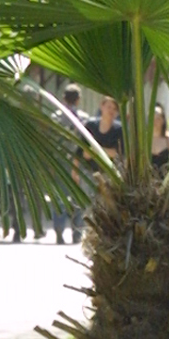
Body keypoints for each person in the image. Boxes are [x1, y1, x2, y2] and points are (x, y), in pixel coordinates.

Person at [53, 85, 88, 244]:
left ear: (63, 98)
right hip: (78, 163)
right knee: (77, 198)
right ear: (78, 99)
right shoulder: (84, 119)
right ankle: (77, 231)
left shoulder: (55, 117)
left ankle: (59, 231)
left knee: (60, 197)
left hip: (59, 161)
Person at [88, 95, 125, 164]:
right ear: (101, 106)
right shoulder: (90, 126)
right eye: (109, 107)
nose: (111, 111)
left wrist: (95, 151)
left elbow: (118, 154)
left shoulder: (120, 130)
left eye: (114, 109)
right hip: (87, 169)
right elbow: (81, 152)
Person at [151, 105, 169, 174]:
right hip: (146, 182)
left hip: (165, 182)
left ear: (163, 120)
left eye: (158, 118)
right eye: (153, 118)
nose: (155, 122)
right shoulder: (144, 141)